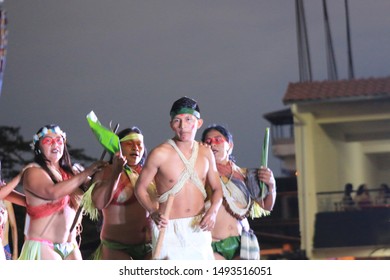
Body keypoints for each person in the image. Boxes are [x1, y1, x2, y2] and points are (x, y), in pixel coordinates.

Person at [135, 96, 223, 260]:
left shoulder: (206, 153)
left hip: (198, 228)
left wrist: (213, 211)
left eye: (188, 119)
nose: (183, 127)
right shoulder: (159, 153)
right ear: (171, 125)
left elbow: (218, 188)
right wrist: (152, 211)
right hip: (168, 228)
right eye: (177, 121)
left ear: (198, 122)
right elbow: (140, 187)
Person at [18, 124, 106, 260]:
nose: (55, 144)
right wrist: (88, 171)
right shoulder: (33, 171)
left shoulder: (73, 173)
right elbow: (53, 192)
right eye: (48, 141)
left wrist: (113, 170)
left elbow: (97, 194)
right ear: (38, 148)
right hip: (44, 245)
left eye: (59, 140)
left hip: (71, 245)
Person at [201, 124, 276, 260]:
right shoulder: (200, 175)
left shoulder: (246, 175)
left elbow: (267, 206)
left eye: (218, 140)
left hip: (243, 244)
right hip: (213, 243)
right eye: (208, 142)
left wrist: (271, 186)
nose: (213, 145)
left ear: (230, 145)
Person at [83, 127, 157, 260]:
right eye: (129, 143)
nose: (135, 148)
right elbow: (99, 203)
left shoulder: (149, 173)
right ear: (118, 147)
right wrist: (116, 173)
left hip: (150, 246)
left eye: (139, 144)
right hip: (117, 248)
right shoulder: (106, 171)